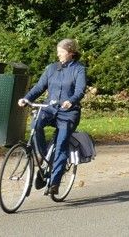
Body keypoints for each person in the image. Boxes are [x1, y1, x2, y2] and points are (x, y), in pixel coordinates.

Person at [19, 38, 87, 195]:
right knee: (35, 125)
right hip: (50, 108)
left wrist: (71, 101)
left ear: (71, 53)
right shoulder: (51, 69)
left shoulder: (79, 69)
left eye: (61, 52)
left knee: (62, 143)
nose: (59, 55)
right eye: (58, 52)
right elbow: (39, 87)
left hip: (68, 113)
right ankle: (41, 155)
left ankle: (54, 183)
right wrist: (27, 98)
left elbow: (80, 90)